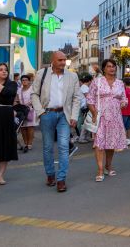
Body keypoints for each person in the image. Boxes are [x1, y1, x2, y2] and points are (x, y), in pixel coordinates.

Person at [31, 51, 82, 192]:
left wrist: (74, 116)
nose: (63, 62)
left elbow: (77, 97)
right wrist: (40, 112)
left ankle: (61, 179)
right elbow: (34, 94)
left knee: (64, 146)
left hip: (64, 115)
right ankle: (50, 175)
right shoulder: (42, 74)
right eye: (60, 60)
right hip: (47, 113)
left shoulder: (72, 76)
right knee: (47, 147)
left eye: (64, 60)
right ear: (52, 60)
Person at [87, 59, 128, 181]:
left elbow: (124, 98)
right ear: (104, 68)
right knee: (99, 143)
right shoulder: (97, 82)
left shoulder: (120, 83)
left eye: (114, 66)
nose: (112, 68)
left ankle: (108, 166)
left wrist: (123, 103)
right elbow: (90, 99)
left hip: (115, 117)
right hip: (101, 117)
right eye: (109, 66)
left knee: (111, 143)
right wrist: (94, 113)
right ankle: (100, 170)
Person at [15, 75, 35, 152]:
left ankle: (29, 143)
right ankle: (25, 143)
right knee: (22, 127)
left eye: (26, 80)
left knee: (30, 127)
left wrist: (29, 103)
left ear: (29, 81)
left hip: (30, 110)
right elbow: (16, 99)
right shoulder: (19, 90)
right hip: (21, 110)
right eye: (23, 80)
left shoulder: (32, 89)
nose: (24, 81)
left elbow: (35, 98)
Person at [77, 74, 93, 143]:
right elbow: (88, 97)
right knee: (86, 122)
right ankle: (82, 137)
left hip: (85, 107)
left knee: (88, 122)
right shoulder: (84, 87)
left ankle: (87, 137)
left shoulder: (85, 87)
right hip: (85, 107)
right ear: (89, 80)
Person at [122, 77, 130, 146]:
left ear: (124, 83)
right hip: (129, 111)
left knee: (122, 126)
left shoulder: (124, 91)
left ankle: (121, 140)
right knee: (128, 125)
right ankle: (128, 139)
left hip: (124, 111)